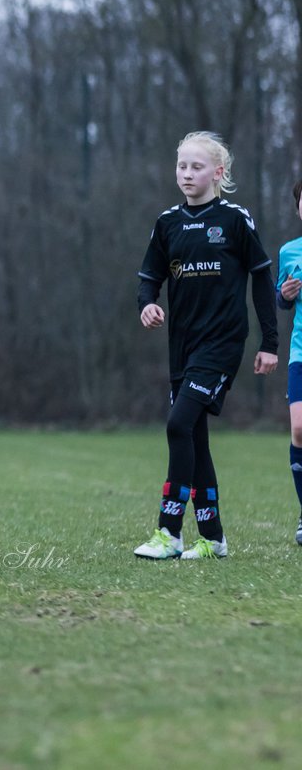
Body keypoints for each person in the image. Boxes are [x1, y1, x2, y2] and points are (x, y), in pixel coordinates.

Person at [134, 130, 278, 560]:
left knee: (178, 425)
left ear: (217, 173)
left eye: (196, 166)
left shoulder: (235, 219)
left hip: (221, 345)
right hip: (182, 346)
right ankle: (213, 538)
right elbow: (148, 279)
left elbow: (261, 277)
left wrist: (269, 342)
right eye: (181, 165)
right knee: (194, 436)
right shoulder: (167, 223)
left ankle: (169, 532)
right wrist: (147, 306)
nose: (187, 173)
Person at [274, 179, 302, 545]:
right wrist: (283, 293)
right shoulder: (289, 252)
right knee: (299, 430)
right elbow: (279, 301)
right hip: (300, 352)